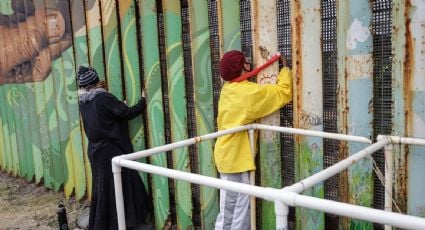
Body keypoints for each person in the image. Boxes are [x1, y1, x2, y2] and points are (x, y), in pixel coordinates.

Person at [214, 50, 293, 230]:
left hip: (231, 157)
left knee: (235, 211)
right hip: (235, 159)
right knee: (233, 214)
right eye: (246, 61)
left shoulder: (229, 88)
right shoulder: (246, 93)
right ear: (242, 67)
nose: (250, 63)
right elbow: (282, 93)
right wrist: (285, 70)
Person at [77, 66, 152, 230]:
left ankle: (105, 224)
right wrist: (143, 101)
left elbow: (103, 118)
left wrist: (117, 107)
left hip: (95, 152)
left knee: (104, 190)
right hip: (111, 151)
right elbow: (125, 112)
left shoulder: (83, 102)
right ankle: (128, 222)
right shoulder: (103, 98)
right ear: (96, 81)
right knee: (125, 183)